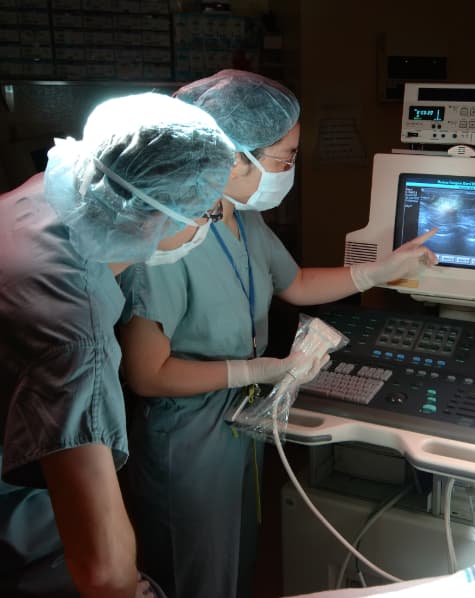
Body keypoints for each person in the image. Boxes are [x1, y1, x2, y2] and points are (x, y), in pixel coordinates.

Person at [115, 69, 437, 598]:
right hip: (188, 433)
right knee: (196, 571)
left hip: (239, 419)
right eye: (283, 156)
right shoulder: (169, 239)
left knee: (234, 558)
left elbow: (296, 283)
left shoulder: (240, 216)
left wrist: (376, 271)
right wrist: (257, 369)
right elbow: (147, 375)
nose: (290, 168)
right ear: (231, 155)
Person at [0, 92, 236, 597]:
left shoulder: (41, 194)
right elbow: (105, 574)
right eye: (207, 213)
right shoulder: (72, 337)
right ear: (157, 214)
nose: (207, 223)